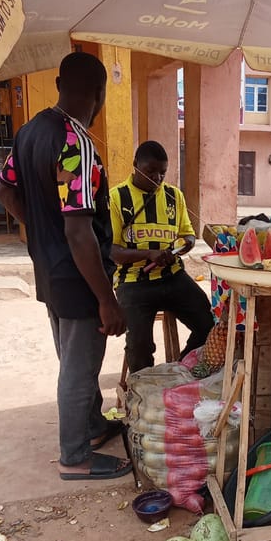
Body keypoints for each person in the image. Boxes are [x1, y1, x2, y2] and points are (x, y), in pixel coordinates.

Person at [0, 52, 131, 481]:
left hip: (49, 268)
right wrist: (106, 300)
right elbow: (80, 232)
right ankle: (75, 458)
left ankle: (93, 428)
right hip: (79, 276)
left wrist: (41, 231)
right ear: (99, 94)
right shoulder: (77, 142)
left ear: (57, 83)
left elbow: (5, 192)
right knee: (79, 367)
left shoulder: (29, 131)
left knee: (73, 358)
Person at [109, 140, 214, 373]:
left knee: (210, 326)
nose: (157, 179)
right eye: (150, 172)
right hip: (134, 283)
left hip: (173, 278)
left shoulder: (174, 196)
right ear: (135, 165)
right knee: (139, 347)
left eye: (162, 173)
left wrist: (181, 247)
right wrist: (149, 254)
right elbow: (113, 252)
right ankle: (143, 392)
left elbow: (188, 236)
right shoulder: (116, 198)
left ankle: (177, 371)